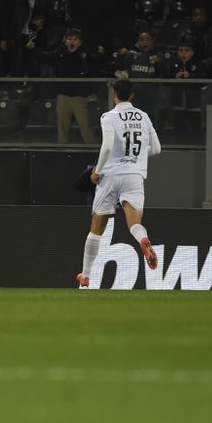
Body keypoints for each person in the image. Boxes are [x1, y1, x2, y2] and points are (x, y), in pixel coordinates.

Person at [77, 78, 162, 288]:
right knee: (135, 224)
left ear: (114, 94)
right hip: (134, 175)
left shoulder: (109, 116)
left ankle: (86, 276)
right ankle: (143, 240)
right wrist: (137, 157)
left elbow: (106, 148)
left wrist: (96, 172)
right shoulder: (144, 117)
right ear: (131, 95)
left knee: (96, 228)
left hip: (111, 175)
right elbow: (157, 148)